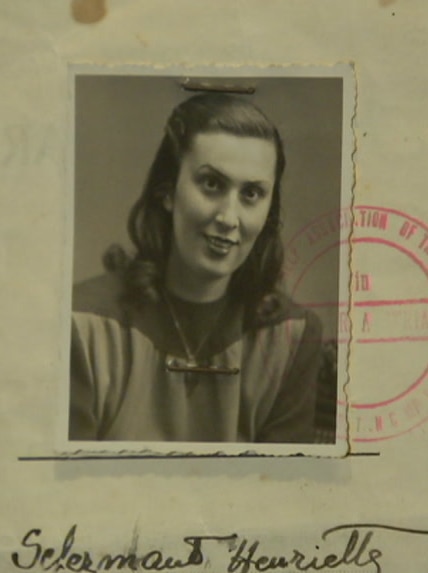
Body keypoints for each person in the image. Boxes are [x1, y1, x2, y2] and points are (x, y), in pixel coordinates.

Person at [69, 92, 323, 443]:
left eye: (251, 194)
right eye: (211, 184)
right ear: (168, 192)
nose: (228, 218)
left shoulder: (291, 338)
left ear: (269, 211)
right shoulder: (81, 326)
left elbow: (282, 493)